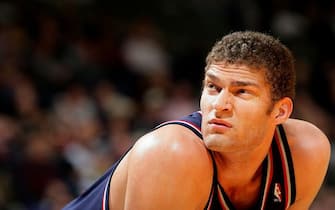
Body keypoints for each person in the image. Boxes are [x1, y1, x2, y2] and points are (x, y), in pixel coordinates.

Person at [62, 31, 331, 210]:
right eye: (213, 87)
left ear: (280, 112)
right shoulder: (172, 155)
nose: (220, 105)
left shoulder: (304, 152)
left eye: (242, 92)